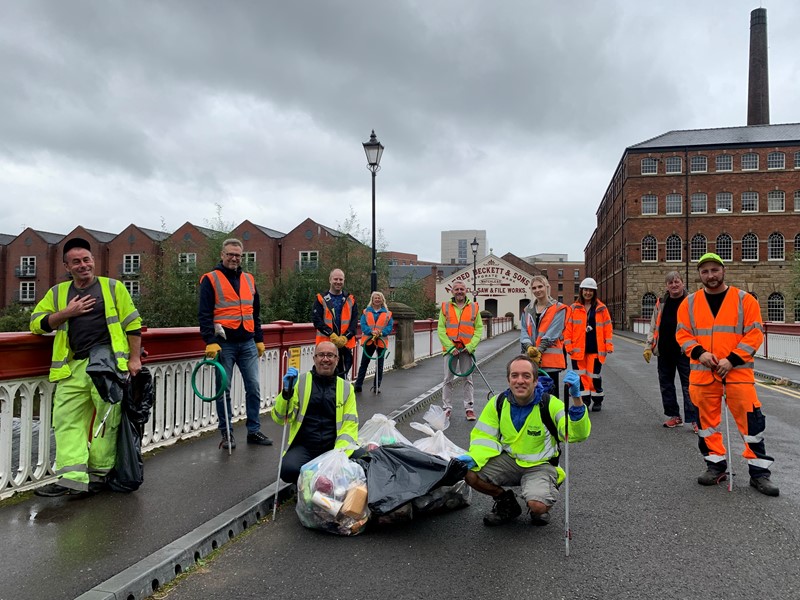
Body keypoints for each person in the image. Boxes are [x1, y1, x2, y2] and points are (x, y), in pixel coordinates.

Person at [30, 237, 142, 497]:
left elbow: (133, 324)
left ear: (94, 261)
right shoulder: (58, 293)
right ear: (67, 266)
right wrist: (67, 313)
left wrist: (134, 360)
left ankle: (98, 476)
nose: (83, 265)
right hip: (72, 367)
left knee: (106, 423)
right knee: (65, 420)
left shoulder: (113, 288)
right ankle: (72, 479)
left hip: (108, 366)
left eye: (87, 260)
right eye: (76, 262)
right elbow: (36, 323)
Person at [676, 252, 779, 496]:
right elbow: (682, 334)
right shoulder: (689, 303)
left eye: (714, 270)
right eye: (705, 271)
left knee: (752, 424)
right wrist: (699, 352)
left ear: (723, 271)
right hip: (703, 376)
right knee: (707, 426)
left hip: (738, 374)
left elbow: (754, 334)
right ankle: (715, 466)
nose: (710, 275)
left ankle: (759, 474)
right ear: (700, 274)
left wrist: (732, 359)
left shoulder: (745, 300)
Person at [457, 356, 590, 526]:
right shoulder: (497, 403)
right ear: (508, 380)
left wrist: (577, 402)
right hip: (510, 461)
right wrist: (473, 458)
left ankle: (543, 494)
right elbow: (483, 438)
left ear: (535, 381)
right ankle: (507, 503)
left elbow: (575, 434)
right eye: (515, 375)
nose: (520, 381)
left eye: (526, 376)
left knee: (538, 506)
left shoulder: (550, 404)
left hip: (540, 465)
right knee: (470, 474)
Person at [199, 238, 272, 450]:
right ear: (222, 255)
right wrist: (210, 341)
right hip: (224, 344)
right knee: (224, 390)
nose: (234, 258)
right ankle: (227, 434)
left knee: (254, 387)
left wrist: (259, 338)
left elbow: (255, 313)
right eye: (230, 254)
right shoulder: (210, 279)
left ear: (242, 257)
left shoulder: (249, 279)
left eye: (238, 255)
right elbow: (204, 314)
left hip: (247, 341)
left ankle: (254, 430)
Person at [272, 341, 359, 483]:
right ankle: (309, 488)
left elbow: (350, 426)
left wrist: (338, 457)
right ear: (314, 358)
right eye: (321, 355)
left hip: (334, 446)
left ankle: (326, 487)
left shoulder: (346, 388)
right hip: (305, 446)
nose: (325, 359)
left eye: (330, 355)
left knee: (366, 460)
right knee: (288, 470)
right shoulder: (299, 382)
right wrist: (286, 393)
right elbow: (281, 418)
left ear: (337, 359)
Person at [644, 271, 699, 432]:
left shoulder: (690, 301)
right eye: (670, 283)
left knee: (690, 387)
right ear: (667, 286)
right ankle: (674, 416)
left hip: (685, 351)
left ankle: (695, 419)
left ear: (682, 283)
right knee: (666, 385)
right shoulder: (661, 302)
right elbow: (654, 325)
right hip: (664, 351)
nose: (674, 285)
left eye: (676, 282)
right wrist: (648, 346)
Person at [565, 277, 613, 412]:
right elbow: (568, 328)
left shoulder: (601, 308)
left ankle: (597, 400)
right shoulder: (573, 308)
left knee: (594, 376)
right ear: (581, 291)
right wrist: (568, 346)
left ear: (594, 292)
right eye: (585, 290)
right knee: (581, 377)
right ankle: (584, 401)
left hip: (595, 349)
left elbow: (607, 328)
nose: (588, 293)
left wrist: (609, 345)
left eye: (590, 290)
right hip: (578, 350)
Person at [438, 280, 483, 420]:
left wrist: (470, 346)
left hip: (466, 350)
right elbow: (441, 329)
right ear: (452, 292)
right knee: (447, 379)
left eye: (461, 289)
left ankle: (469, 408)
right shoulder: (445, 307)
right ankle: (447, 408)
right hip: (450, 350)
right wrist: (450, 347)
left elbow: (479, 329)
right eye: (456, 289)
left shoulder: (474, 307)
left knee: (467, 379)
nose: (459, 291)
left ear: (466, 290)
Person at [520, 275, 570, 398]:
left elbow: (554, 332)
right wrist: (528, 347)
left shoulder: (559, 308)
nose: (537, 290)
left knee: (550, 397)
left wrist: (538, 350)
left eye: (540, 286)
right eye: (534, 288)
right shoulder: (527, 310)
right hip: (531, 359)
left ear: (547, 287)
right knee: (532, 395)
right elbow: (524, 331)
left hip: (550, 361)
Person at [312, 268, 358, 379]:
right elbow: (317, 320)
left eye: (341, 279)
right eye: (335, 279)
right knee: (323, 374)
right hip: (325, 344)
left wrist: (345, 338)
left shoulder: (350, 299)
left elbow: (354, 322)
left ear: (344, 281)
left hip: (344, 345)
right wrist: (331, 334)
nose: (338, 282)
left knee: (342, 375)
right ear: (330, 280)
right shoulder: (320, 299)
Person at [354, 291, 394, 394]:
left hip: (381, 341)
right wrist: (370, 332)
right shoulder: (366, 312)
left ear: (382, 300)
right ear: (372, 300)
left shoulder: (387, 314)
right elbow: (363, 324)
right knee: (364, 363)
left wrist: (381, 333)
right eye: (375, 298)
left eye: (379, 298)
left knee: (380, 364)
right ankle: (358, 385)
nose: (377, 300)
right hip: (369, 340)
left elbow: (389, 327)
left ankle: (377, 386)